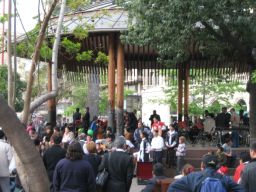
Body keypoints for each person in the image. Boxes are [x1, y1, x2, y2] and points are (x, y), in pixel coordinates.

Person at [168, 154, 245, 192]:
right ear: (216, 166)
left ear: (202, 165)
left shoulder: (193, 177)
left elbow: (173, 187)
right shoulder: (224, 178)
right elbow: (242, 190)